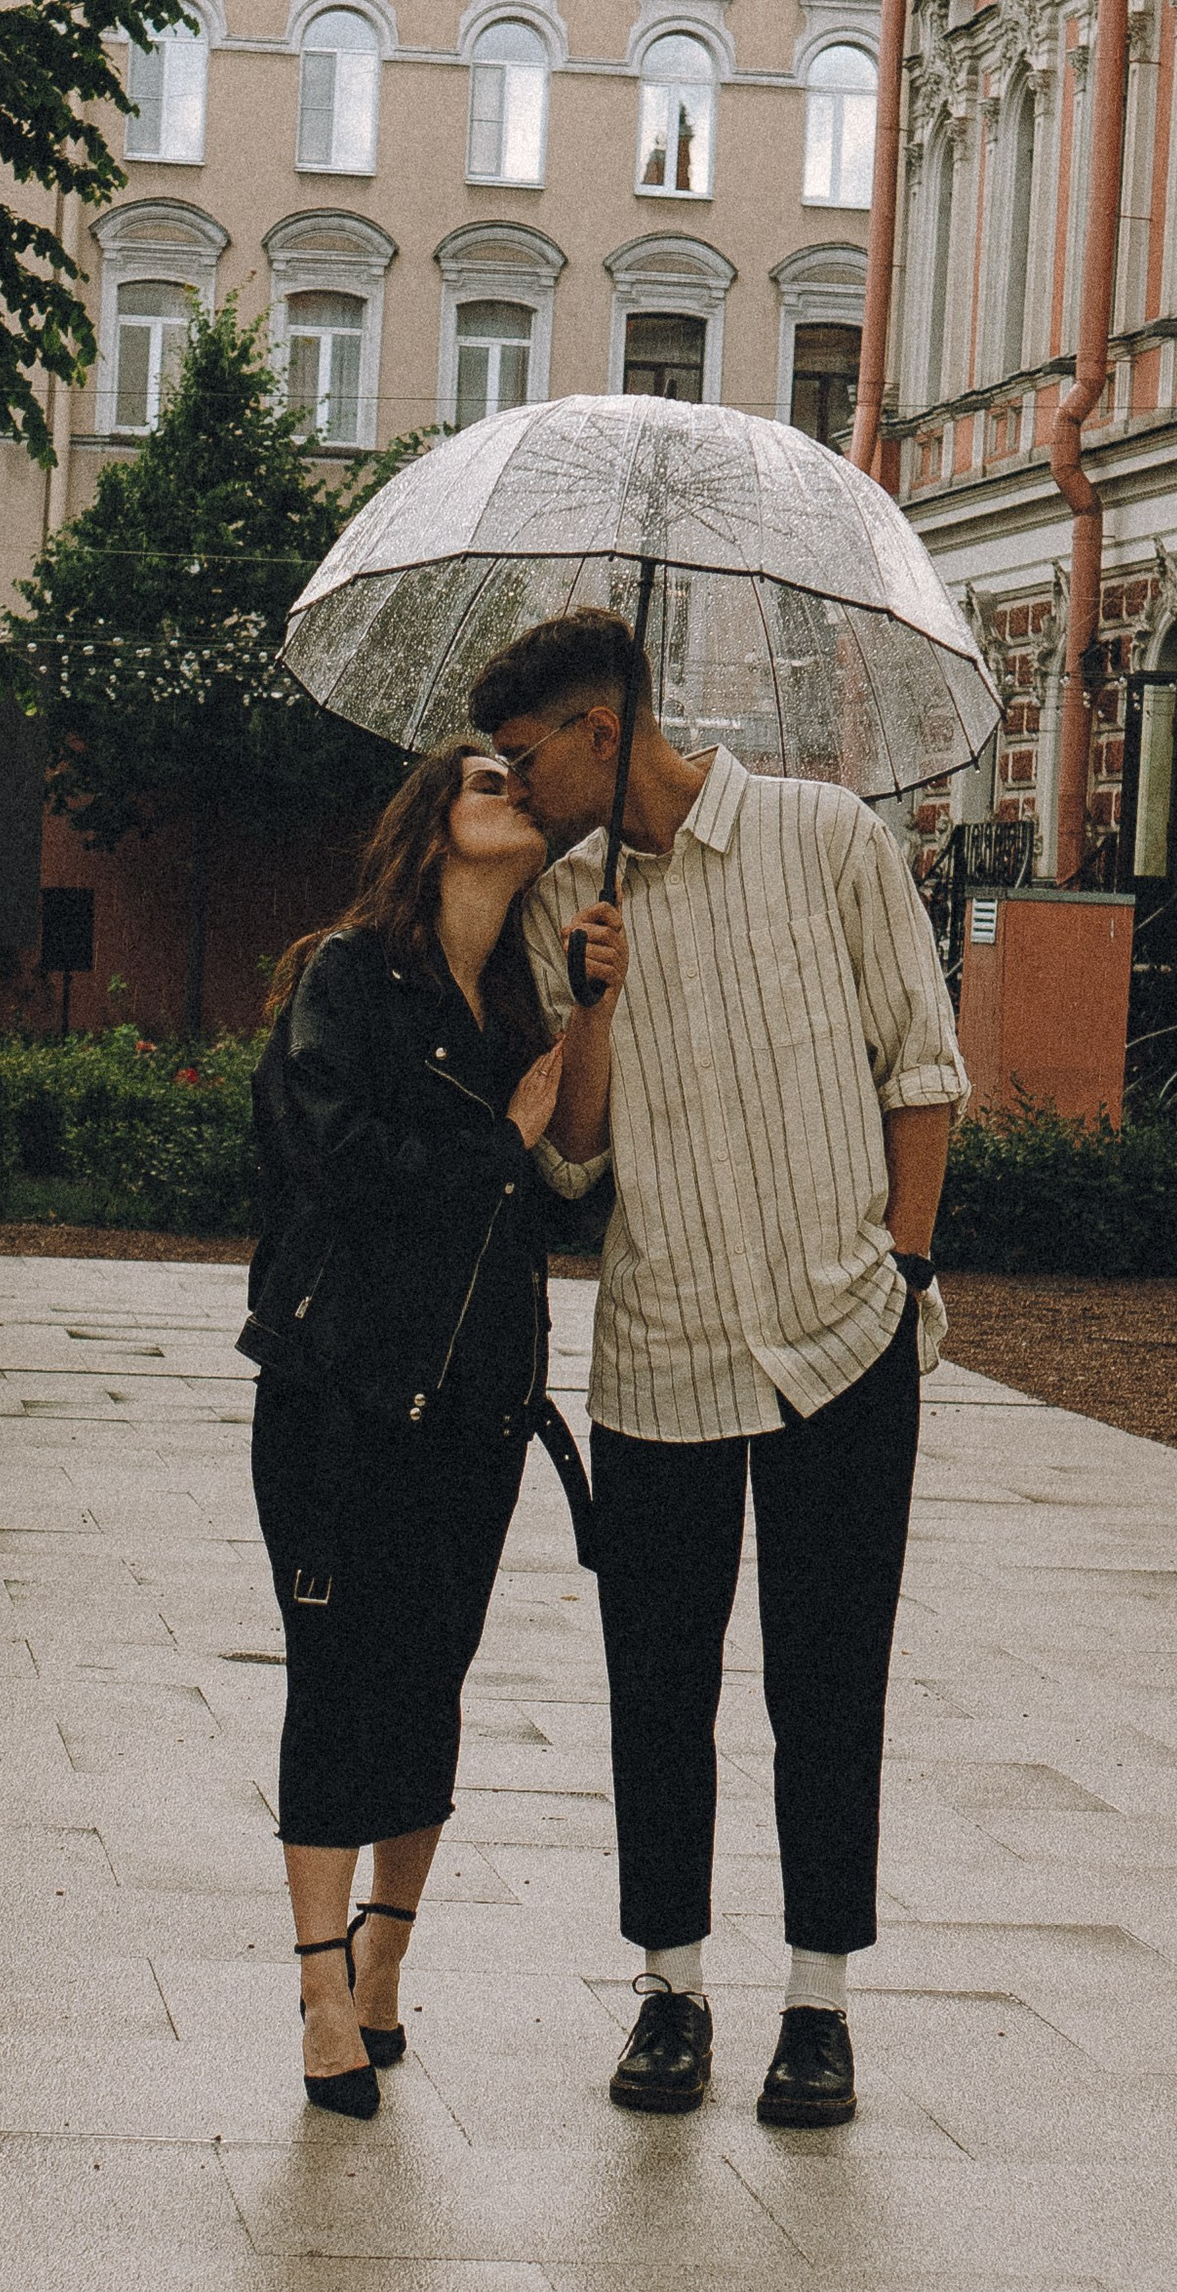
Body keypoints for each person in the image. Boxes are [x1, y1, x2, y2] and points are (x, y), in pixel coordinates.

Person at [470, 608, 966, 2131]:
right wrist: (597, 996)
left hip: (842, 1343)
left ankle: (818, 2007)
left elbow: (922, 1066)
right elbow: (571, 1161)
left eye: (524, 750)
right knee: (657, 1687)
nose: (509, 777)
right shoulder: (565, 904)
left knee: (829, 1686)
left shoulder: (826, 841)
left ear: (600, 728)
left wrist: (905, 1273)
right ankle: (671, 1989)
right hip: (665, 1349)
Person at [241, 738, 575, 2116]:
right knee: (337, 1678)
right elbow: (330, 1154)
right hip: (337, 1390)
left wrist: (595, 1012)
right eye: (490, 781)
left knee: (431, 1675)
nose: (519, 796)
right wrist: (498, 1140)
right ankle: (320, 1993)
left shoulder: (528, 1009)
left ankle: (386, 1967)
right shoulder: (345, 973)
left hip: (479, 1397)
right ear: (433, 824)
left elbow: (569, 1184)